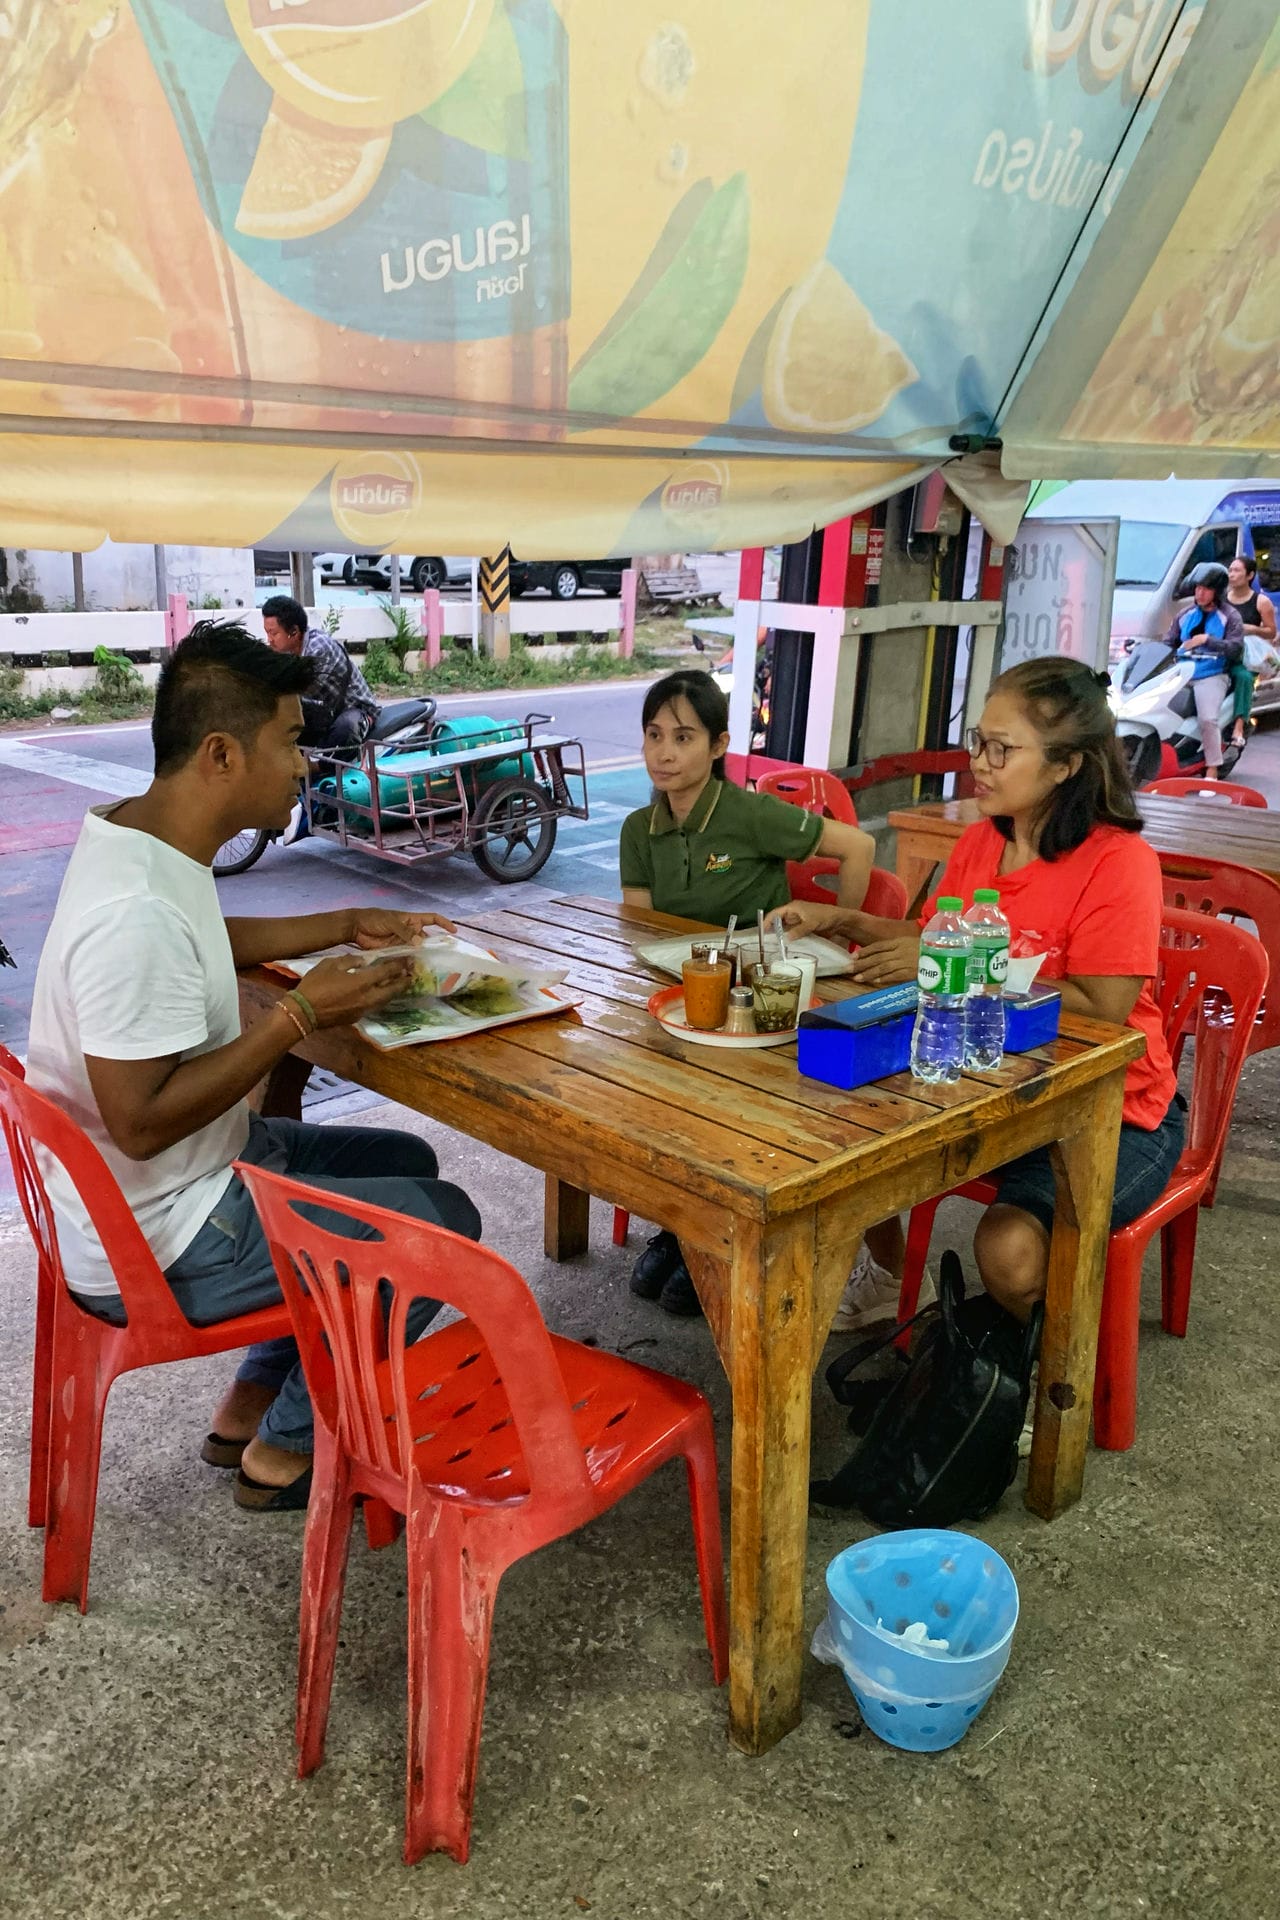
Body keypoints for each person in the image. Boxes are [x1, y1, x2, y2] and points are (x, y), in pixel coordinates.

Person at [26, 621, 481, 1512]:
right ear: (225, 755)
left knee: (409, 1165)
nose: (306, 764)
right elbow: (140, 1118)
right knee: (446, 1226)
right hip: (162, 1234)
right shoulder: (134, 912)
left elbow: (207, 938)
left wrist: (342, 921)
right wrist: (300, 1016)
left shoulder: (143, 836)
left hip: (177, 1180)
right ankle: (287, 1446)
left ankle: (254, 1395)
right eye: (292, 741)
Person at [779, 656, 1184, 1326]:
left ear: (1066, 765)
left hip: (1113, 1106)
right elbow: (926, 939)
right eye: (978, 742)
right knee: (828, 1132)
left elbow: (1105, 1010)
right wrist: (839, 919)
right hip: (987, 1083)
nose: (982, 763)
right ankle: (888, 1291)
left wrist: (946, 957)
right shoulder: (976, 844)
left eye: (1003, 748)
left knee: (1009, 1252)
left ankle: (1041, 1384)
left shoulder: (1120, 862)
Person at [619, 668, 875, 1315]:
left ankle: (714, 1241)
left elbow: (859, 846)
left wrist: (840, 930)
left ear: (719, 745)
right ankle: (679, 1229)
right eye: (653, 735)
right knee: (636, 1090)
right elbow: (644, 931)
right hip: (679, 1009)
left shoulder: (748, 814)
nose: (665, 752)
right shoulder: (637, 830)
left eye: (683, 736)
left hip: (760, 1018)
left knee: (717, 1109)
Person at [1159, 562, 1243, 779]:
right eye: (1197, 588)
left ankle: (1212, 767)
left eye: (1206, 588)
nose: (1200, 593)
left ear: (1217, 591)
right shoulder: (1185, 614)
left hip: (1211, 675)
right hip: (1180, 674)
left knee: (1207, 719)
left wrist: (1208, 640)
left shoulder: (1230, 616)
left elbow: (1235, 647)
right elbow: (1168, 642)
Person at [261, 593, 379, 747]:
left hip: (356, 710)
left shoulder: (319, 647)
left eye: (274, 633)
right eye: (267, 633)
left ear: (294, 632)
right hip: (325, 712)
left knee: (347, 728)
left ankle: (319, 768)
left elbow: (297, 686)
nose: (269, 639)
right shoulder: (287, 651)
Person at [1225, 555, 1278, 749]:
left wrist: (1252, 629)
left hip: (1247, 658)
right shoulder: (1222, 600)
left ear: (1250, 575)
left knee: (1244, 677)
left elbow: (1271, 631)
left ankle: (1239, 726)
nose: (1232, 575)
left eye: (1237, 570)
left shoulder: (1261, 602)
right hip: (1223, 652)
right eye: (1230, 570)